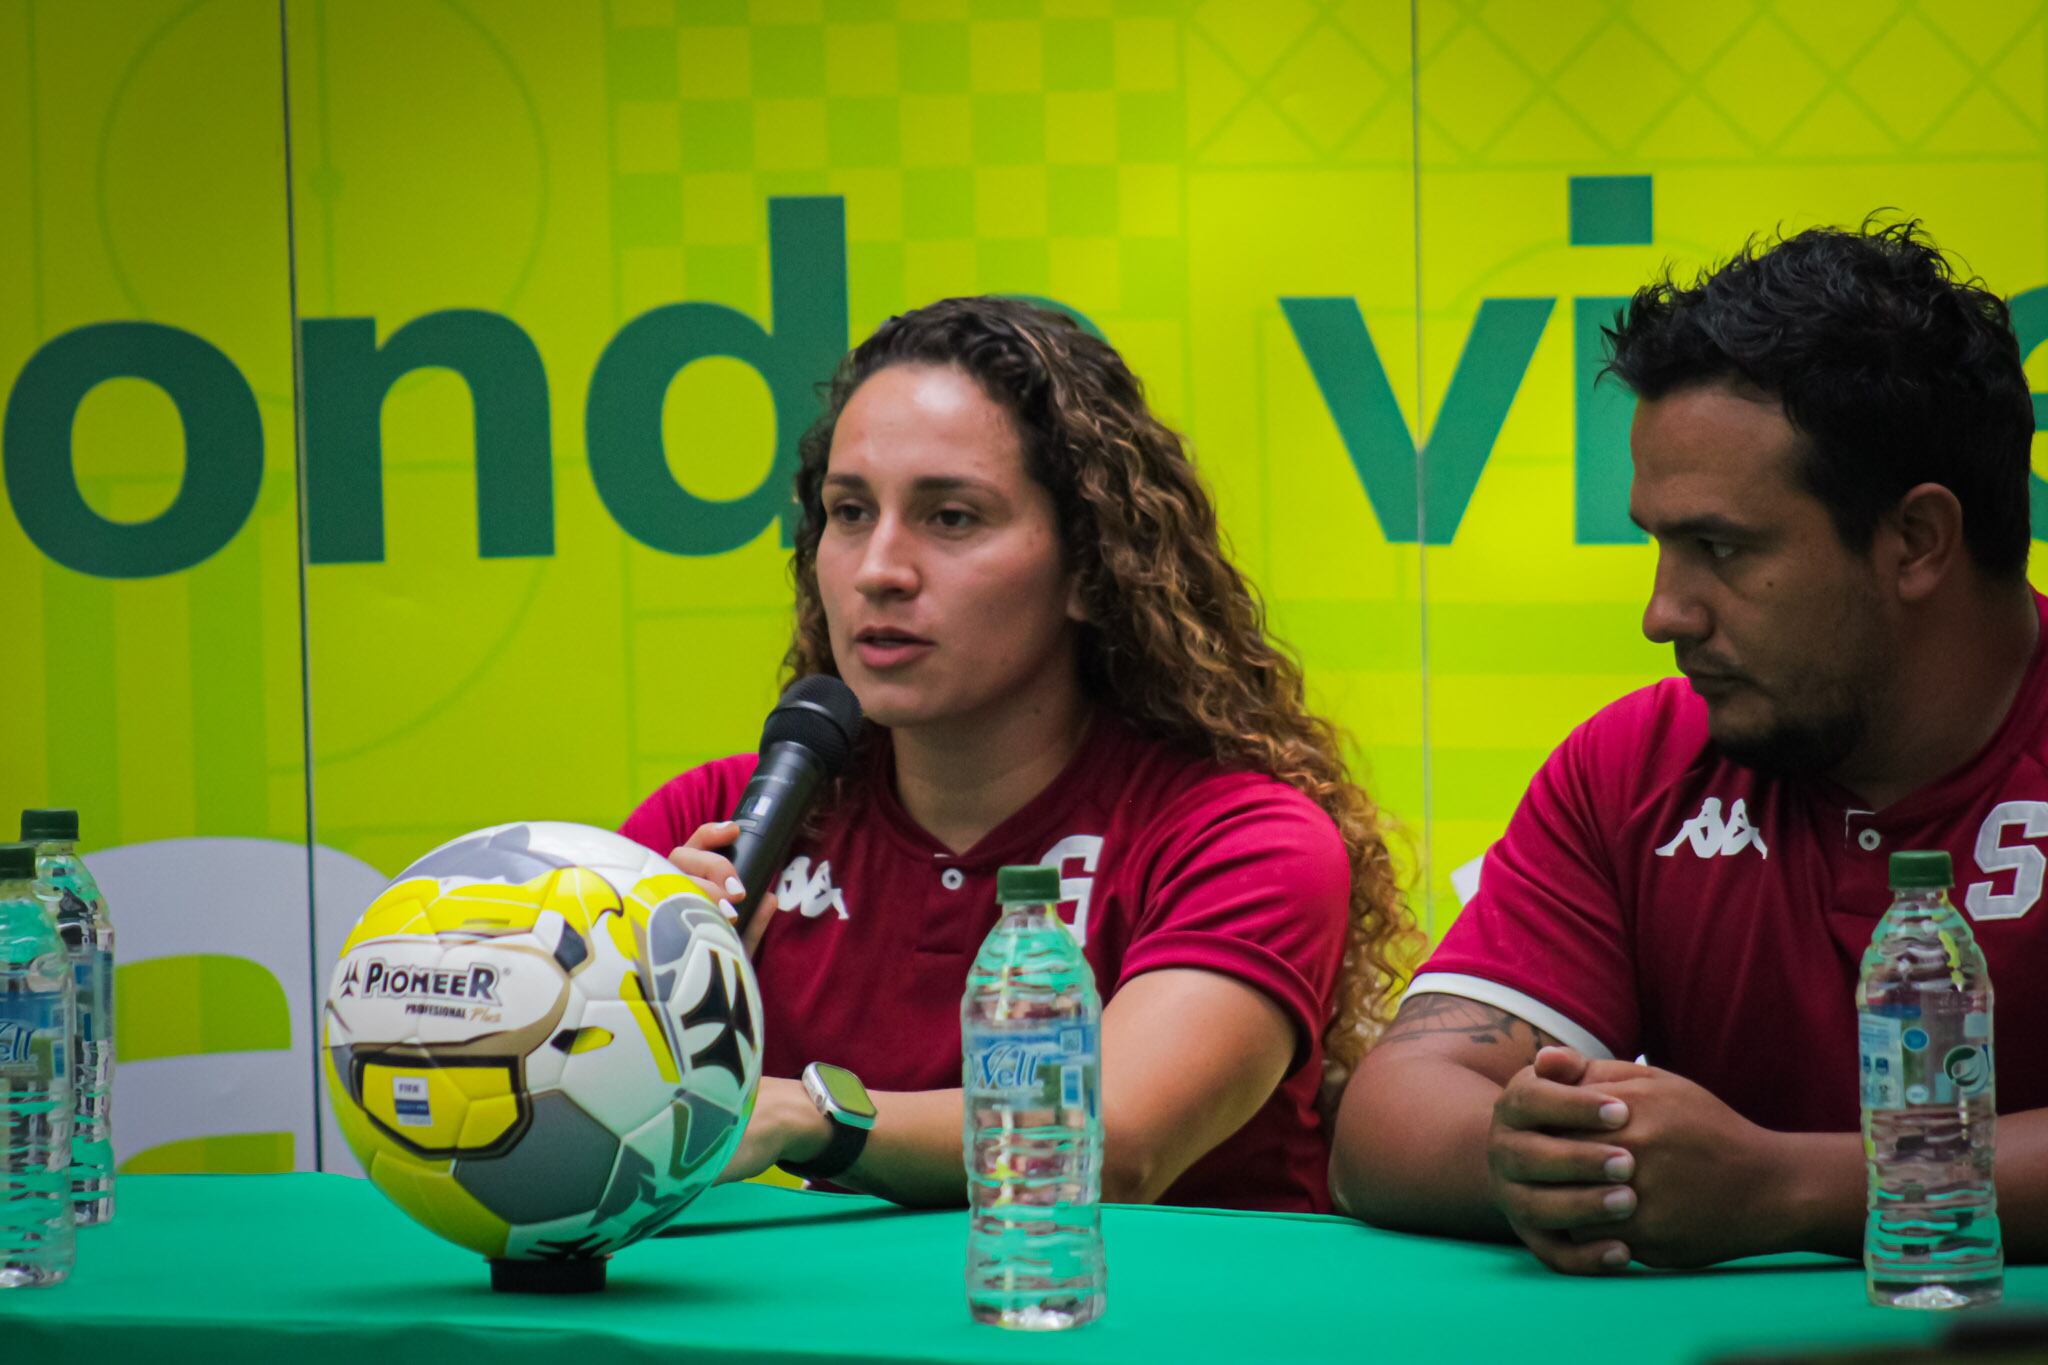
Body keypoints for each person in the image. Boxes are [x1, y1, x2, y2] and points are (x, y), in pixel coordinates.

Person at [1330, 221, 2048, 1271]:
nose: (1662, 614)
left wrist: (1786, 1188)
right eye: (1658, 545)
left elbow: (1765, 1186)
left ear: (1913, 542)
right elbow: (1384, 1118)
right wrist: (1529, 1159)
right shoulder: (1635, 764)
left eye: (1718, 548)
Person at [623, 296, 1414, 1213]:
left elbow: (1110, 1142)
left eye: (951, 517)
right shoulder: (714, 824)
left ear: (1091, 565)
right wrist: (648, 994)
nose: (880, 567)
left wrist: (807, 1113)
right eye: (848, 512)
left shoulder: (1244, 837)